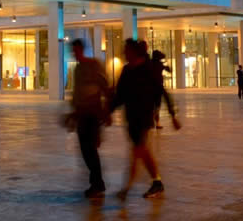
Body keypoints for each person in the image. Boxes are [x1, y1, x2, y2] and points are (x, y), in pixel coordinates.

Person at [111, 38, 165, 199]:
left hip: (144, 117)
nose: (124, 53)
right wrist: (108, 110)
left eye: (127, 50)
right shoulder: (127, 70)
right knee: (143, 151)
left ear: (134, 51)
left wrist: (170, 113)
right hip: (131, 118)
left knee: (137, 151)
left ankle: (126, 187)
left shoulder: (147, 68)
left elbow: (160, 91)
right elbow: (120, 95)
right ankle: (157, 182)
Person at [67, 38, 110, 198]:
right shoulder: (77, 69)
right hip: (81, 114)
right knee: (86, 151)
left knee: (90, 150)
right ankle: (97, 183)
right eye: (73, 51)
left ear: (82, 50)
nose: (74, 54)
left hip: (92, 114)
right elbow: (77, 92)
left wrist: (106, 112)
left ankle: (97, 184)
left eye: (76, 50)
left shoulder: (93, 65)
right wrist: (73, 113)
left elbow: (104, 87)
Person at [151, 50, 180, 130]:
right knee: (162, 103)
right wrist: (166, 64)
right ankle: (169, 118)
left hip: (152, 88)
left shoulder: (151, 63)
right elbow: (169, 70)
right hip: (158, 87)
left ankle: (157, 122)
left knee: (156, 106)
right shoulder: (159, 64)